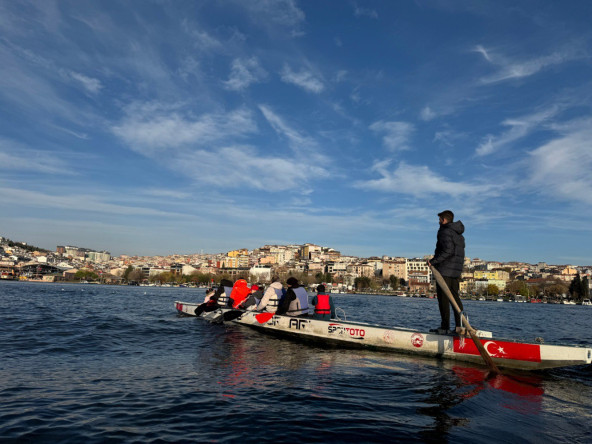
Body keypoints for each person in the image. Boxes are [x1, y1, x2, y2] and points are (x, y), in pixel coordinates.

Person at [428, 210, 465, 334]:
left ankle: (445, 327)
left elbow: (448, 251)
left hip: (445, 270)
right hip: (455, 272)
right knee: (455, 298)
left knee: (443, 300)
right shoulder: (458, 234)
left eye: (439, 220)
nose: (438, 222)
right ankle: (460, 326)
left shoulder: (444, 231)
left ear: (444, 220)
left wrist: (433, 261)